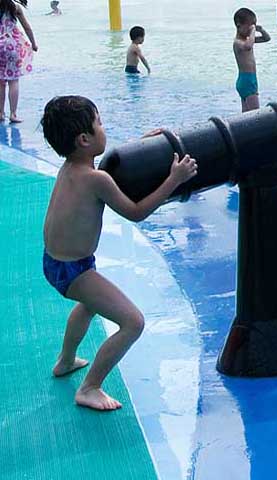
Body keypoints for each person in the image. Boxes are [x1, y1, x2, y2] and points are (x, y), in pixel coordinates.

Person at [41, 96, 198, 411]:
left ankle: (66, 361)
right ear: (84, 139)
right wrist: (174, 180)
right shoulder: (95, 180)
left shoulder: (71, 167)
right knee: (132, 322)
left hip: (55, 261)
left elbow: (107, 163)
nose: (104, 127)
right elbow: (136, 212)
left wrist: (142, 145)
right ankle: (90, 388)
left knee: (89, 305)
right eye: (99, 123)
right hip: (75, 270)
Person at [0, 0, 37, 123]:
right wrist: (33, 44)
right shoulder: (15, 7)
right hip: (11, 46)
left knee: (0, 82)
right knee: (13, 81)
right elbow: (27, 27)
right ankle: (13, 114)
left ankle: (0, 113)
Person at [233, 8, 271, 113]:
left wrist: (261, 30)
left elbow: (267, 38)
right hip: (247, 81)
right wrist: (253, 30)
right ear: (239, 25)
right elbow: (248, 46)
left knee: (246, 115)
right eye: (249, 27)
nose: (251, 30)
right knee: (255, 115)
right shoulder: (238, 42)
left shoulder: (246, 40)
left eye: (253, 26)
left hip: (249, 79)